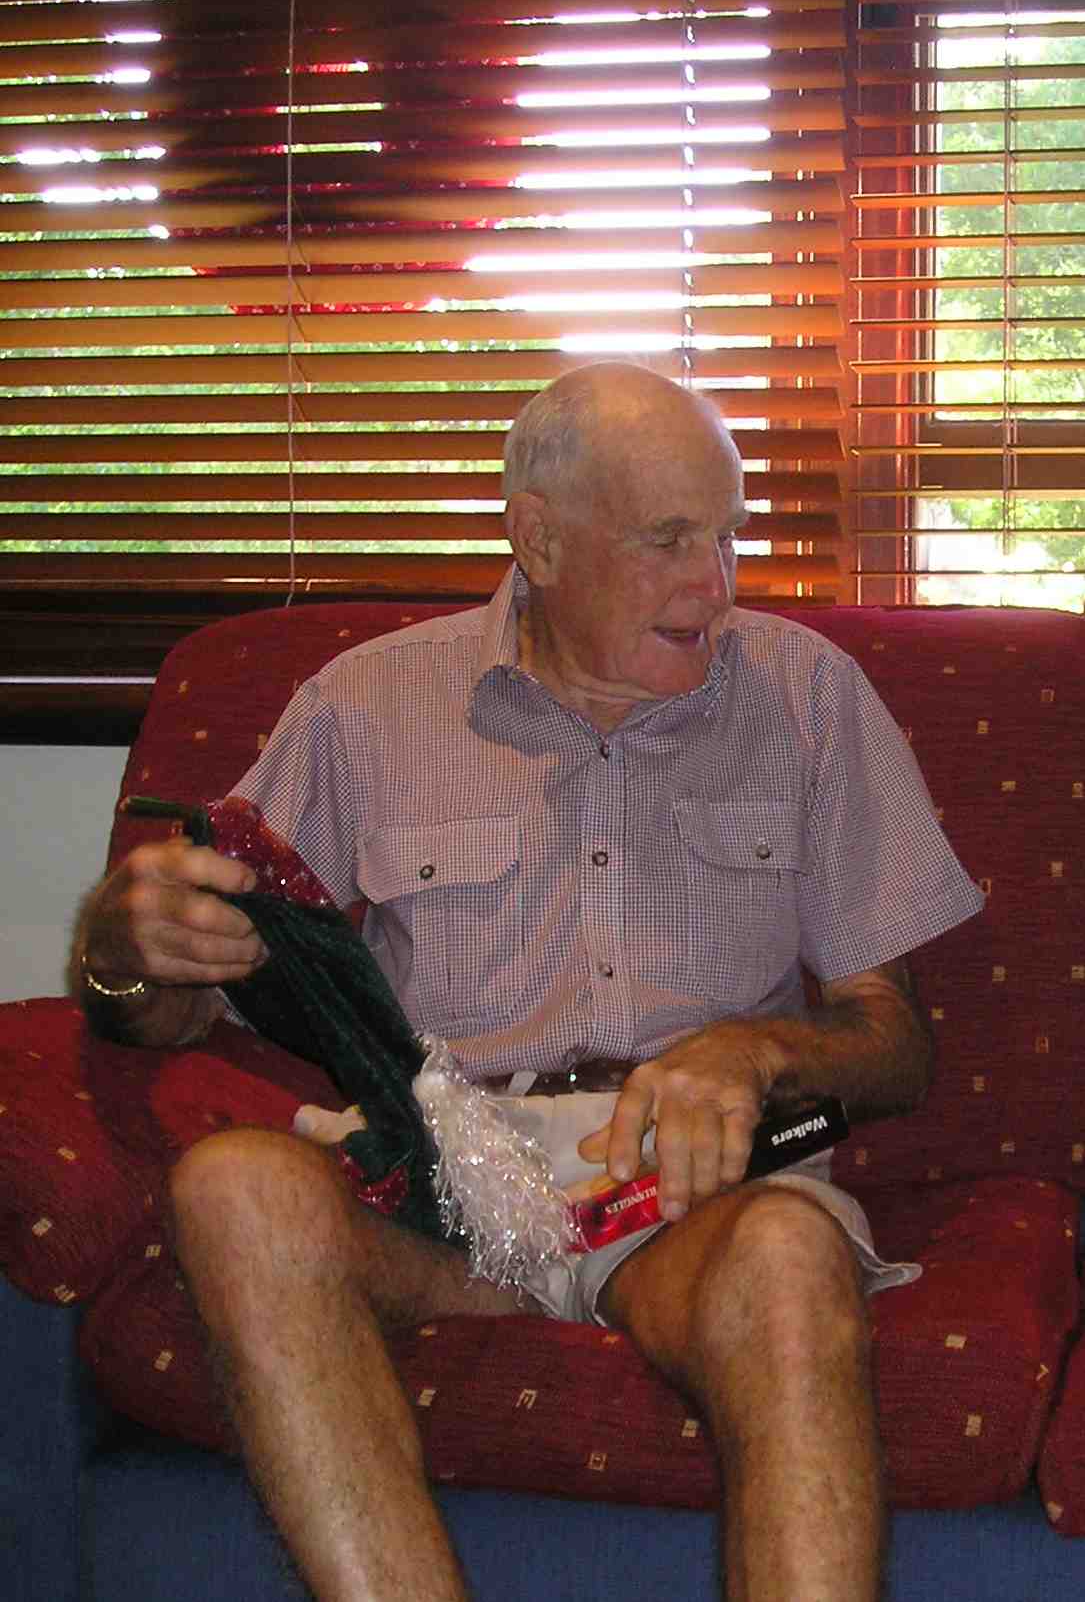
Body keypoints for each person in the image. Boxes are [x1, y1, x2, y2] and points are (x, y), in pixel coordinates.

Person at [74, 361, 984, 1602]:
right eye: (667, 541)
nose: (712, 587)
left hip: (689, 1199)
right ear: (538, 539)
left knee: (786, 1262)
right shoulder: (367, 702)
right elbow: (182, 997)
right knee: (234, 1185)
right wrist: (130, 956)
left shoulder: (805, 693)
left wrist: (755, 1051)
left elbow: (897, 1044)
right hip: (438, 1184)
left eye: (726, 538)